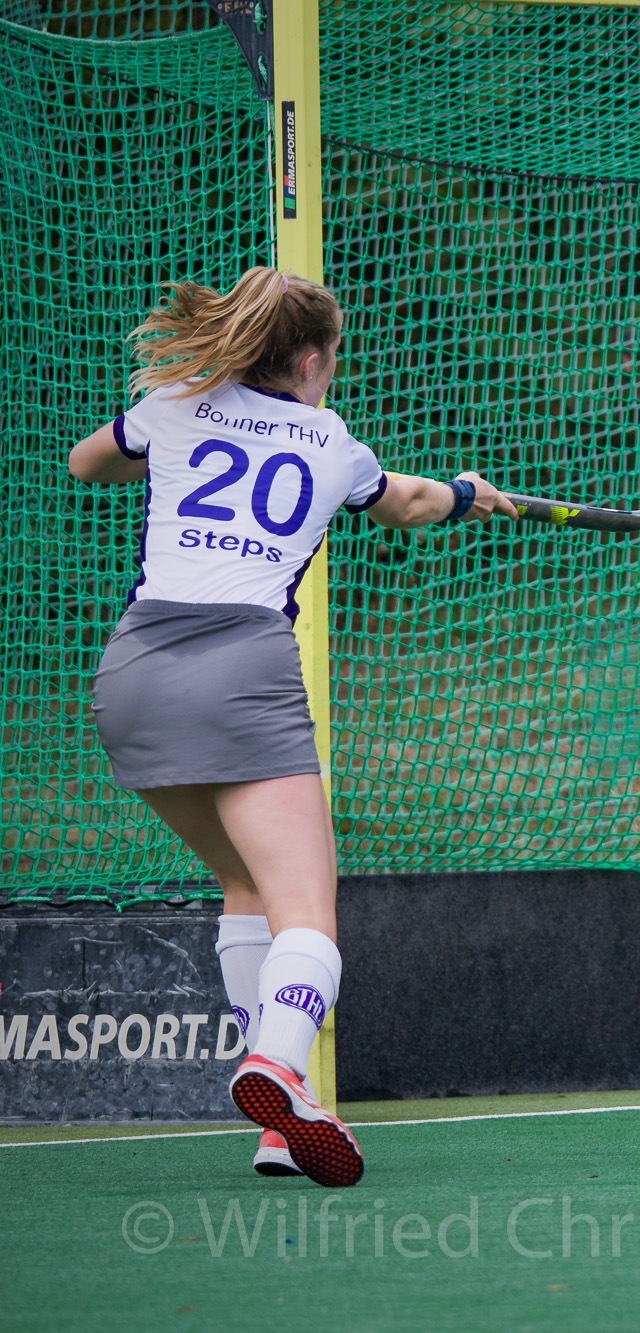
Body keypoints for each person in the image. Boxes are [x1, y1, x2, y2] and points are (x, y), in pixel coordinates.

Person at [67, 267, 517, 1186]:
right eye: (333, 358)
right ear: (311, 360)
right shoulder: (331, 440)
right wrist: (466, 492)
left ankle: (282, 1122)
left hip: (133, 676)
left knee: (244, 880)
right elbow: (410, 504)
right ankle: (276, 1064)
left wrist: (172, 433)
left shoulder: (171, 404)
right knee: (308, 912)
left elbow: (87, 464)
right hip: (243, 670)